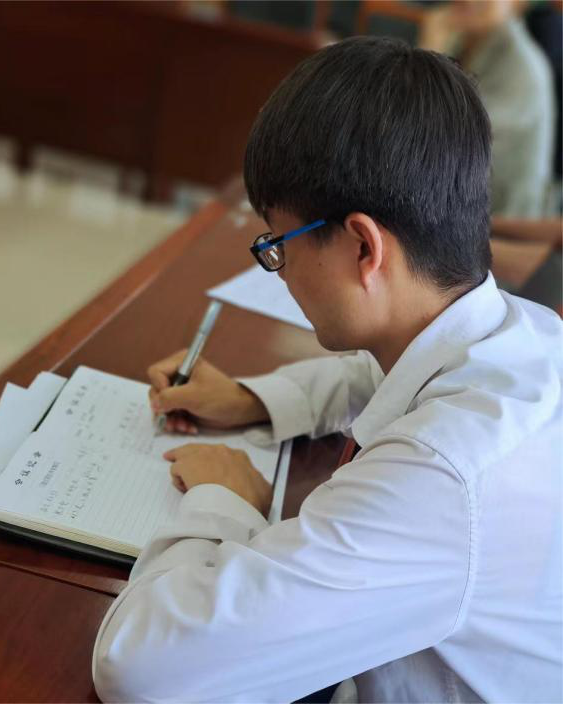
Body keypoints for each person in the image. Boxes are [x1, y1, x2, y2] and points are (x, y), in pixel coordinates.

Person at [92, 37, 562, 703]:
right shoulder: (522, 334)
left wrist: (225, 499)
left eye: (277, 245)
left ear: (364, 246)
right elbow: (384, 377)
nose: (280, 270)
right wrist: (253, 399)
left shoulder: (439, 479)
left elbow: (139, 668)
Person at [419, 0, 555, 217]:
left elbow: (433, 142)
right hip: (454, 206)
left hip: (500, 222)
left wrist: (428, 57)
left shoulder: (521, 67)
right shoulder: (463, 42)